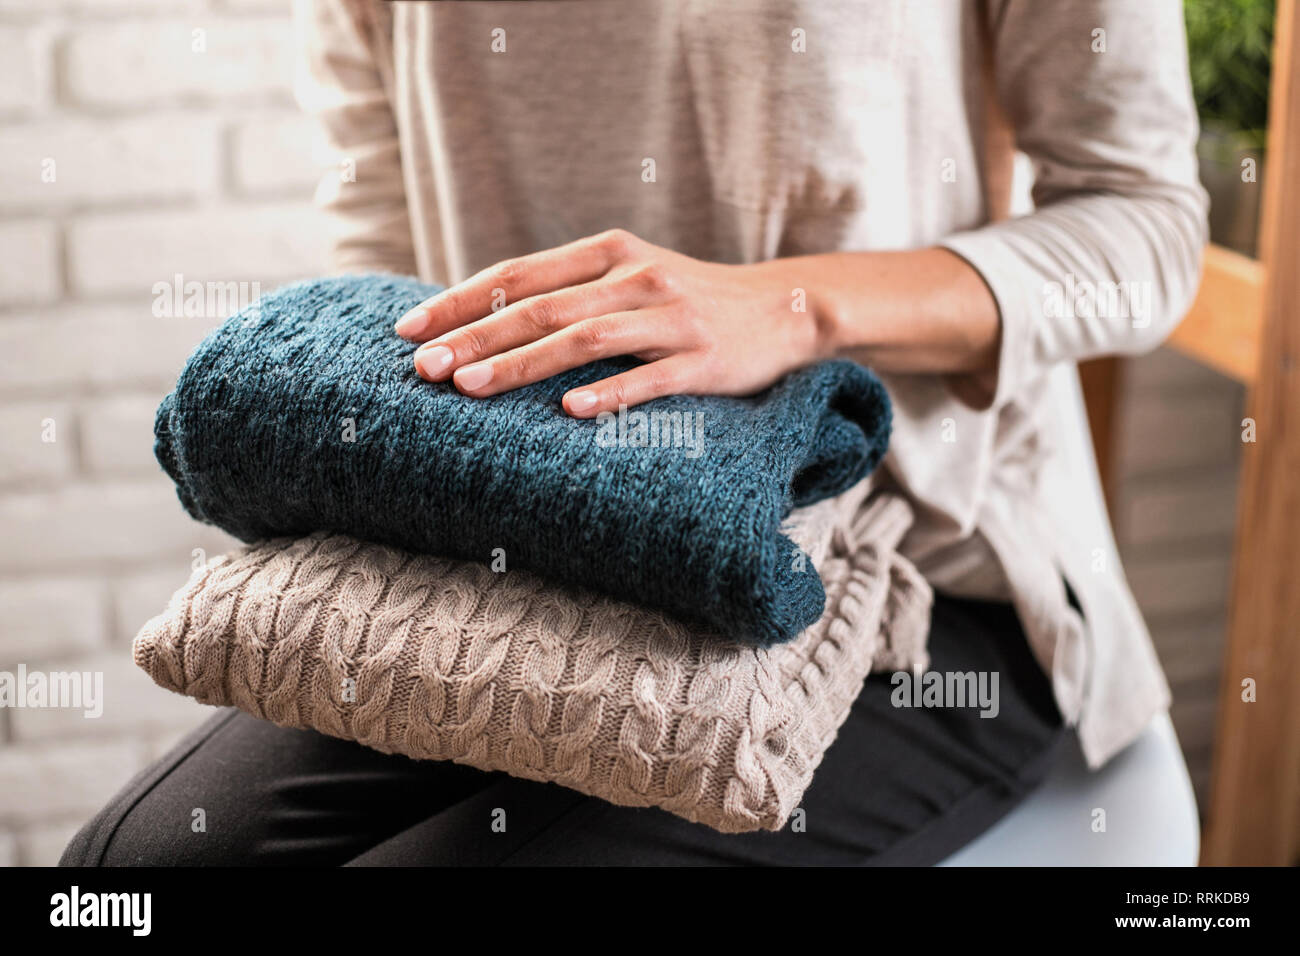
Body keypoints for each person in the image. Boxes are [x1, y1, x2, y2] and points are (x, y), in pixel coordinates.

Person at [62, 0, 1206, 866]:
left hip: (913, 571)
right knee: (128, 870)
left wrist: (788, 306)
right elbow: (384, 247)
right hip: (528, 548)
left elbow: (1147, 227)